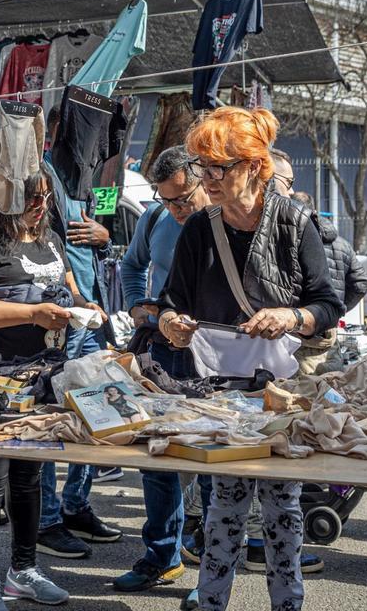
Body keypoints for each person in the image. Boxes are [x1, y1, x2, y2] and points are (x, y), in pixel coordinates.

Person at [159, 107, 344, 611]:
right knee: (224, 506)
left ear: (253, 166)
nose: (208, 179)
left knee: (283, 509)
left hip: (280, 392)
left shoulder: (294, 222)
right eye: (203, 167)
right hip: (220, 390)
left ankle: (288, 604)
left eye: (218, 167)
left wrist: (291, 316)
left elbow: (328, 304)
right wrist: (170, 323)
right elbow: (173, 300)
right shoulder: (199, 228)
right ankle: (212, 601)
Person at [0, 170, 106, 611]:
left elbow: (68, 287)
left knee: (28, 474)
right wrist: (32, 312)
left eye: (45, 198)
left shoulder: (49, 236)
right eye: (31, 199)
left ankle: (23, 569)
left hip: (42, 374)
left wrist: (83, 308)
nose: (40, 206)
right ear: (3, 197)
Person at [112, 145, 214, 594]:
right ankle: (161, 555)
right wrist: (137, 305)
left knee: (214, 457)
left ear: (205, 183)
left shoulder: (226, 223)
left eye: (184, 199)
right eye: (166, 200)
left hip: (213, 356)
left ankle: (214, 567)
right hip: (160, 351)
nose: (175, 210)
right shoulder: (155, 218)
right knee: (157, 456)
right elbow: (132, 266)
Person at [37, 107, 121, 558]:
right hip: (62, 315)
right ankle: (46, 519)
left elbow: (109, 241)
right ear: (59, 132)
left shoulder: (91, 181)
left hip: (94, 315)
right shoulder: (44, 174)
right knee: (53, 414)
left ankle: (75, 506)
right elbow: (39, 242)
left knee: (98, 411)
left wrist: (104, 235)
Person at [290, 191, 367, 314]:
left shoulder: (290, 241)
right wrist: (337, 310)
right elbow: (361, 283)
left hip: (298, 320)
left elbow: (361, 283)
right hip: (327, 320)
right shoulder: (343, 245)